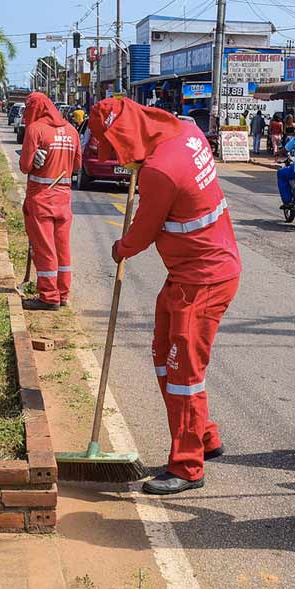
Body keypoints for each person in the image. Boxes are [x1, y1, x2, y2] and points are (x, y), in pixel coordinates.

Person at [89, 97, 241, 496]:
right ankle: (205, 435)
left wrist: (121, 248)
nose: (120, 162)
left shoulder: (159, 171)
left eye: (117, 150)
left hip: (203, 281)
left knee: (182, 375)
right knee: (163, 354)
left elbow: (140, 235)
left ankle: (188, 465)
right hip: (190, 274)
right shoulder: (185, 132)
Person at [19, 92, 81, 310]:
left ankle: (49, 296)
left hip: (41, 197)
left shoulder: (35, 130)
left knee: (45, 249)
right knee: (62, 248)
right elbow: (77, 166)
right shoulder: (72, 131)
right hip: (64, 198)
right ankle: (63, 293)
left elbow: (25, 166)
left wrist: (35, 159)